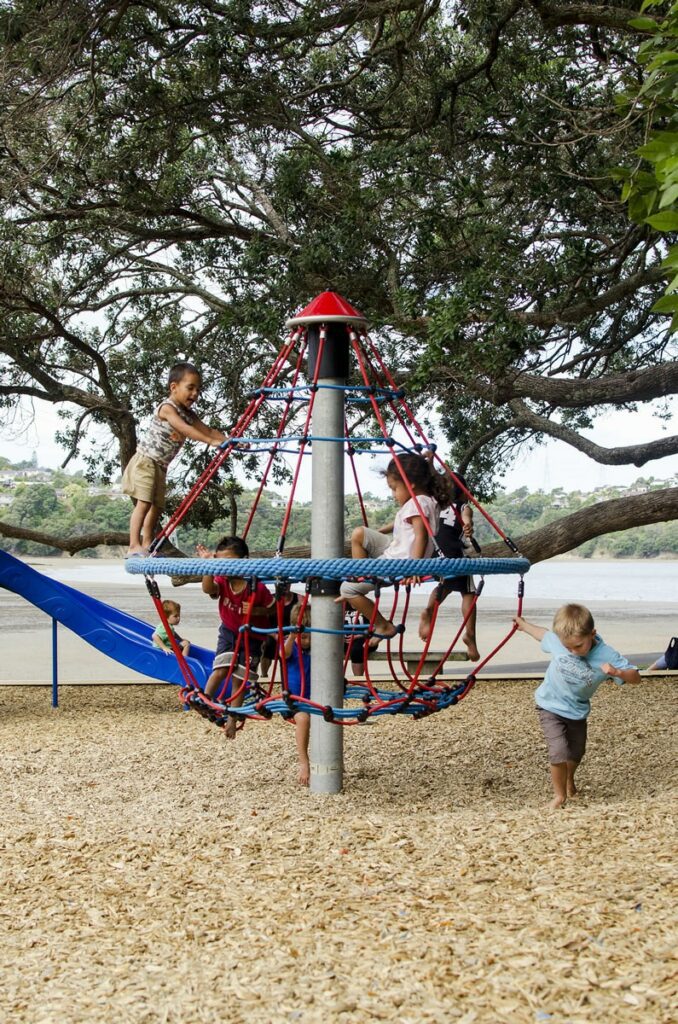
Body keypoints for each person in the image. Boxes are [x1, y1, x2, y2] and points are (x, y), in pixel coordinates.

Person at [513, 604, 641, 810]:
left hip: (577, 711)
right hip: (550, 705)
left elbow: (636, 677)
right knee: (559, 751)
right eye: (567, 647)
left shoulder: (606, 654)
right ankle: (559, 796)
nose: (573, 651)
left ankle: (568, 780)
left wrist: (618, 673)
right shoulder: (558, 641)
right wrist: (524, 625)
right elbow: (543, 635)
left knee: (576, 752)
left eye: (579, 646)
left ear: (593, 634)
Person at [338, 452, 447, 646]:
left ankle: (381, 624)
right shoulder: (427, 499)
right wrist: (427, 462)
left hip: (399, 562)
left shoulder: (417, 503)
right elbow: (407, 531)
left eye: (394, 488)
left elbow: (421, 535)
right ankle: (362, 578)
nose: (393, 494)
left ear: (410, 483)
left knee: (347, 589)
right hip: (396, 551)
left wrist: (414, 568)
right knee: (359, 534)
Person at [122, 362, 226, 557]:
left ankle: (148, 544)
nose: (195, 394)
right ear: (174, 387)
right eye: (190, 388)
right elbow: (186, 429)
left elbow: (209, 430)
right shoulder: (167, 408)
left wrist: (229, 441)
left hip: (161, 466)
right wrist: (211, 441)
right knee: (144, 503)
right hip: (146, 461)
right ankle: (133, 544)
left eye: (198, 389)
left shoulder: (189, 414)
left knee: (157, 507)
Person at [197, 535, 275, 738]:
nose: (226, 567)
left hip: (253, 637)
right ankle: (205, 701)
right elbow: (208, 589)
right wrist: (207, 567)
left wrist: (255, 611)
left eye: (229, 562)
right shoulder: (222, 580)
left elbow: (271, 609)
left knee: (239, 680)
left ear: (244, 560)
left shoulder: (256, 587)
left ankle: (232, 720)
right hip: (229, 631)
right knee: (221, 668)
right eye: (221, 563)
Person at [418, 472, 480, 661]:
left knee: (445, 584)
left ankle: (429, 609)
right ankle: (470, 635)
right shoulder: (463, 505)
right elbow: (466, 516)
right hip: (454, 551)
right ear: (463, 492)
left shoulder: (435, 505)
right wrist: (468, 525)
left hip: (435, 551)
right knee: (469, 592)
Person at [283, 602, 313, 786]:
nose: (305, 641)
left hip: (314, 700)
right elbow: (282, 654)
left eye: (309, 637)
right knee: (303, 719)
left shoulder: (318, 647)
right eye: (302, 637)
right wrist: (292, 636)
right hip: (293, 700)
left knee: (329, 716)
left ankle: (332, 758)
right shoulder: (290, 645)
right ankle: (304, 762)